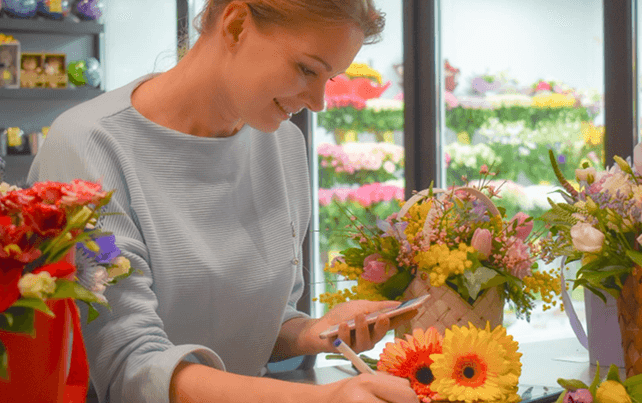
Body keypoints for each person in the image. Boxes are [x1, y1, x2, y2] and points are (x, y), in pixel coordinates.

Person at [27, 1, 420, 402]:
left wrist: (312, 332)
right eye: (306, 69)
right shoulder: (88, 147)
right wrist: (326, 397)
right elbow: (130, 363)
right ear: (234, 27)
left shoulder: (284, 146)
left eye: (330, 79)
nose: (319, 101)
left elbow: (253, 324)